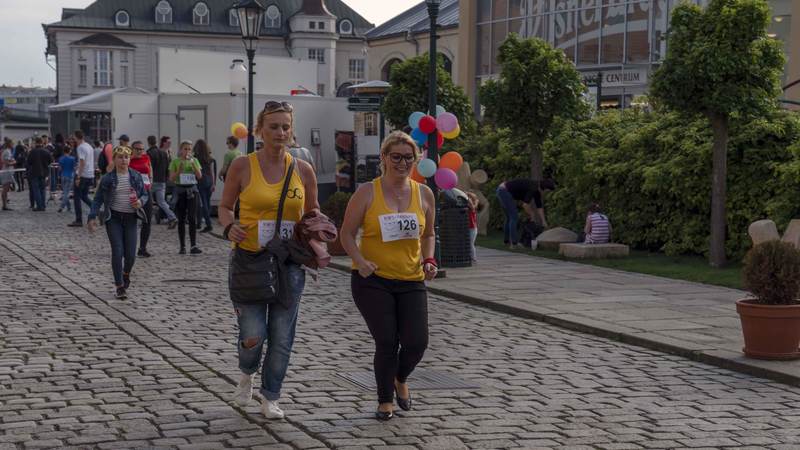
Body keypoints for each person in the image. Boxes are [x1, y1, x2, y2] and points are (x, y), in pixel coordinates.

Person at [218, 100, 318, 420]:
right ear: (260, 130)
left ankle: (271, 396)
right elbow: (225, 207)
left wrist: (317, 236)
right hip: (250, 260)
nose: (280, 132)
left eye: (286, 127)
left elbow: (312, 214)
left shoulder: (303, 170)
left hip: (288, 264)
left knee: (282, 336)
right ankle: (247, 372)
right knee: (253, 335)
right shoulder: (242, 166)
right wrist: (230, 226)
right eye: (273, 126)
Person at [340, 131, 437, 421]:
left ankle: (399, 377)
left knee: (417, 342)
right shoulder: (367, 192)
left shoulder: (424, 194)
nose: (402, 163)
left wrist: (429, 259)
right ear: (384, 158)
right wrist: (359, 261)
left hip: (411, 279)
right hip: (373, 279)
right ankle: (385, 401)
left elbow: (429, 234)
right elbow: (346, 233)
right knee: (386, 341)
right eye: (396, 157)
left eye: (409, 157)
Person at [87, 146, 148, 300]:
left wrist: (140, 202)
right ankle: (119, 286)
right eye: (120, 157)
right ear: (114, 159)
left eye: (126, 157)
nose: (123, 160)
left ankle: (126, 273)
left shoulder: (136, 176)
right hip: (113, 218)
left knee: (131, 255)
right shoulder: (108, 178)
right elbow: (98, 199)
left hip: (131, 218)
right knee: (117, 251)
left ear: (130, 159)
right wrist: (92, 217)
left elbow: (145, 194)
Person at [495, 178, 555, 248]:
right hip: (504, 191)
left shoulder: (537, 190)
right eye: (547, 191)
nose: (546, 193)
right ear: (544, 188)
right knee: (514, 217)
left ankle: (506, 242)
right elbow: (525, 205)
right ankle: (514, 244)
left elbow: (539, 207)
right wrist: (532, 214)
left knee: (509, 218)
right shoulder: (533, 188)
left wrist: (544, 221)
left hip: (502, 189)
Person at [168, 140, 203, 254]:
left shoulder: (194, 160)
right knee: (181, 219)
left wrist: (193, 165)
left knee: (192, 218)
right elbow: (171, 178)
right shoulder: (175, 161)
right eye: (185, 149)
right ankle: (182, 246)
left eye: (189, 149)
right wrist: (179, 171)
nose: (187, 151)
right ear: (181, 150)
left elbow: (199, 176)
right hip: (180, 191)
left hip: (192, 190)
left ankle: (193, 246)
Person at [130, 141, 154, 257]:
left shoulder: (146, 157)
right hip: (133, 192)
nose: (140, 151)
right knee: (130, 220)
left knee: (147, 220)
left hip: (146, 191)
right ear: (132, 149)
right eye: (137, 149)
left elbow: (150, 170)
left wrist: (151, 180)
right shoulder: (128, 160)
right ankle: (128, 247)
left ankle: (143, 248)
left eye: (142, 149)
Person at [147, 135, 177, 228]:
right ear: (156, 142)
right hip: (162, 181)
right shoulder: (164, 153)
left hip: (152, 181)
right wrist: (166, 178)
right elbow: (168, 167)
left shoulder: (149, 153)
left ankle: (145, 220)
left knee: (146, 200)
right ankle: (172, 217)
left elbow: (149, 167)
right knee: (162, 202)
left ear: (148, 142)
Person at [68, 130, 96, 227]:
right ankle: (97, 211)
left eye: (73, 138)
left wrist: (78, 177)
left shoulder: (80, 147)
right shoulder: (89, 146)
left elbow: (82, 162)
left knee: (77, 197)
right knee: (84, 196)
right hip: (90, 174)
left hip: (82, 175)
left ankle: (79, 220)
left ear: (76, 137)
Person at [193, 139, 216, 233]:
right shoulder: (210, 159)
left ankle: (208, 224)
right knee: (207, 202)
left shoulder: (195, 158)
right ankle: (200, 223)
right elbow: (212, 172)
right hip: (209, 181)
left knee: (202, 203)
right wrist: (213, 184)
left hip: (200, 181)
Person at [25, 137, 52, 211]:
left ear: (35, 142)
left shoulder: (32, 152)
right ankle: (43, 205)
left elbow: (28, 162)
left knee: (36, 190)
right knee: (43, 190)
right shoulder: (46, 151)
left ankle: (39, 206)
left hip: (34, 173)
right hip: (44, 173)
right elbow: (50, 161)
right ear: (42, 142)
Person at [57, 146, 76, 213]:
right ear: (69, 151)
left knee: (65, 191)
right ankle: (61, 206)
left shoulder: (61, 158)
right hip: (70, 175)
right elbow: (74, 168)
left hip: (63, 176)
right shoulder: (72, 158)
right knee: (66, 193)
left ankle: (69, 207)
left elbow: (60, 168)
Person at [0, 140, 14, 210]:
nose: (13, 145)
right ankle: (4, 205)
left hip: (7, 171)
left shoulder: (7, 151)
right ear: (9, 144)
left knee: (6, 189)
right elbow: (6, 163)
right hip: (6, 172)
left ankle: (5, 205)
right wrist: (14, 162)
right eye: (12, 143)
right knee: (5, 189)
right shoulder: (7, 151)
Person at [466, 191, 479, 262]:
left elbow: (472, 204)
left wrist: (467, 196)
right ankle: (470, 257)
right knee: (468, 243)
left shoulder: (472, 208)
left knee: (470, 243)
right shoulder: (467, 208)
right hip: (468, 228)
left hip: (472, 228)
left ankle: (473, 258)